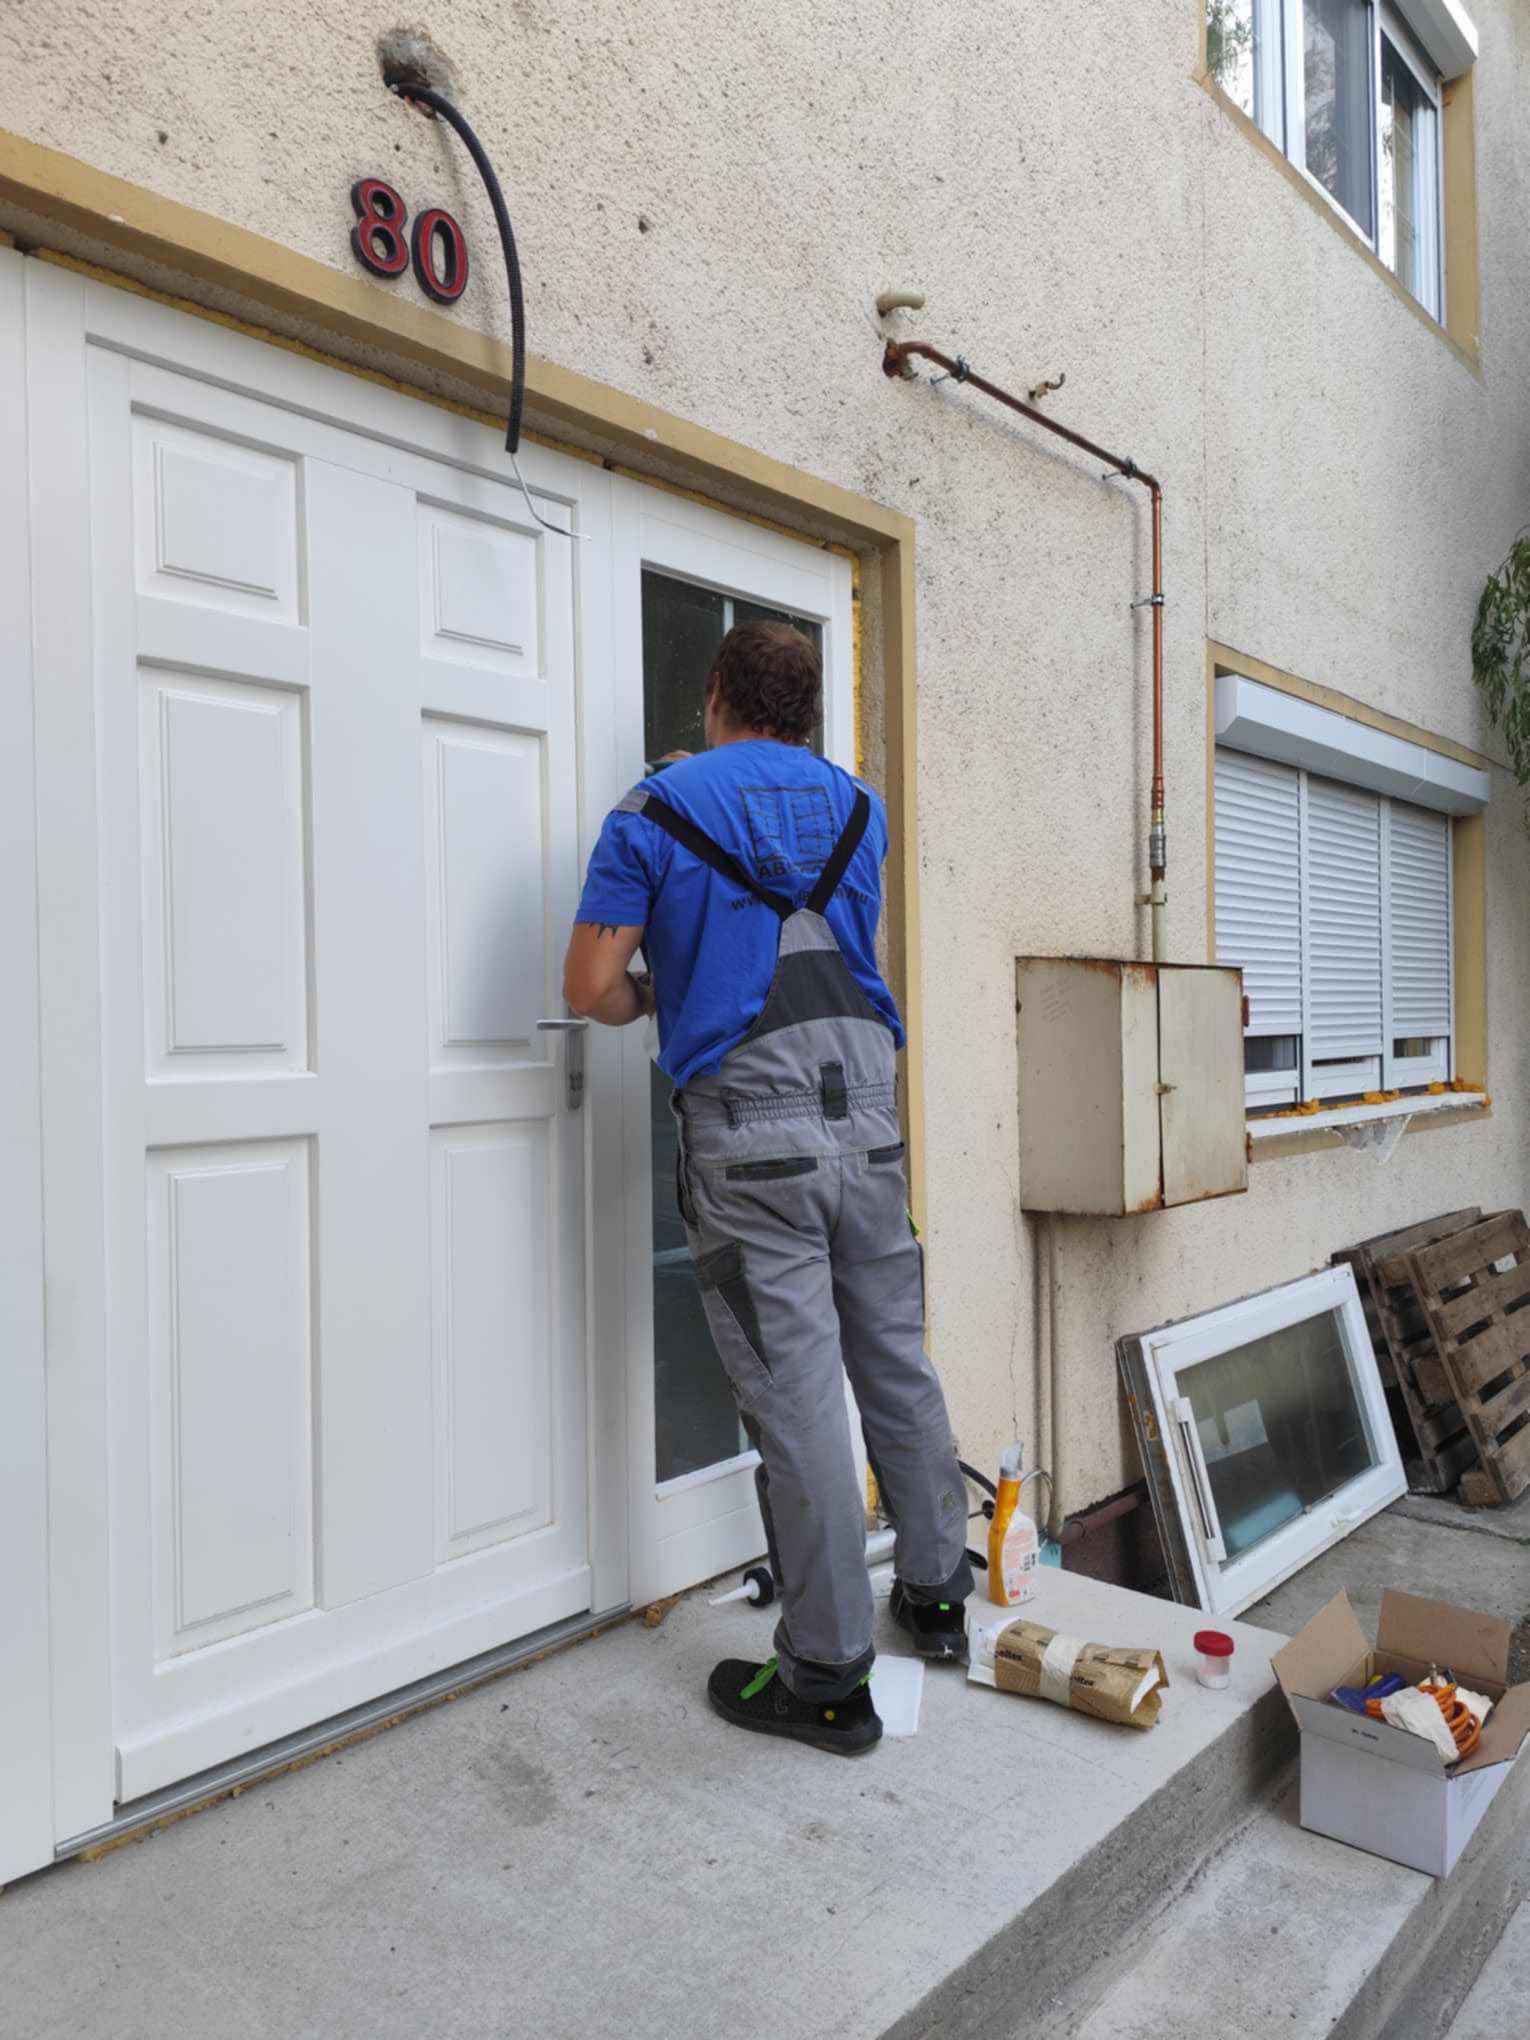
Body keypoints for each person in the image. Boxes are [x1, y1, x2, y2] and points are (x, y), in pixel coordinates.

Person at [563, 620, 973, 1755]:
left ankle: (828, 1677)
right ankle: (937, 1594)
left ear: (714, 696)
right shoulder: (859, 809)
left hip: (752, 1140)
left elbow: (590, 984)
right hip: (871, 1122)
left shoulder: (654, 810)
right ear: (809, 713)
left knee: (798, 1404)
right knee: (894, 1361)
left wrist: (657, 995)